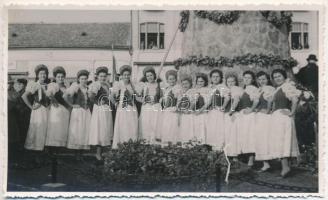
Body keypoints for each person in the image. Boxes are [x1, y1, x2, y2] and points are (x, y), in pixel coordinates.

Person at [270, 68, 300, 177]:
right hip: (277, 117)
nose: (277, 78)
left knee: (282, 140)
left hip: (283, 118)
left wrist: (291, 112)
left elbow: (295, 99)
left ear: (284, 76)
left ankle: (285, 167)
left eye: (279, 76)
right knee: (280, 140)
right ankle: (286, 166)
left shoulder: (287, 86)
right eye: (275, 77)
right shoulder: (278, 88)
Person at [64, 70, 91, 159]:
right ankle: (76, 154)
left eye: (85, 79)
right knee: (77, 131)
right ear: (79, 79)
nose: (84, 80)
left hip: (86, 112)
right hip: (78, 112)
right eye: (82, 79)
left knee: (84, 131)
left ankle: (81, 154)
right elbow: (65, 96)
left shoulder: (88, 88)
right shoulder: (75, 87)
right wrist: (72, 105)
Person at [88, 66, 114, 161]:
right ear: (97, 77)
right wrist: (98, 102)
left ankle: (103, 152)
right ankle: (97, 153)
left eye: (104, 76)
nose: (103, 78)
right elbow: (90, 96)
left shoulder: (106, 85)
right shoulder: (96, 85)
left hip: (106, 109)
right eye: (101, 76)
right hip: (99, 110)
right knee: (100, 130)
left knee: (105, 129)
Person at [22, 64, 50, 151]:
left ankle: (44, 148)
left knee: (46, 128)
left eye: (44, 73)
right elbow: (24, 96)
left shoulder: (48, 85)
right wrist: (31, 107)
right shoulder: (34, 84)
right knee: (39, 128)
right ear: (37, 75)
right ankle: (36, 149)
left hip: (47, 110)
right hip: (38, 111)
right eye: (41, 73)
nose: (43, 75)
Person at [112, 65, 139, 149]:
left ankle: (131, 146)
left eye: (128, 75)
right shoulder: (118, 84)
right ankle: (122, 146)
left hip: (131, 108)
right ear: (122, 76)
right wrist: (115, 103)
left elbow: (136, 96)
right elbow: (111, 96)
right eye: (125, 75)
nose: (126, 76)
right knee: (123, 126)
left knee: (132, 126)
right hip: (123, 108)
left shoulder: (132, 85)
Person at [237, 71, 260, 167]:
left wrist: (251, 109)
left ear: (253, 79)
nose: (246, 79)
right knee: (244, 136)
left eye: (249, 78)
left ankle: (251, 159)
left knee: (250, 136)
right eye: (245, 77)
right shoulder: (243, 89)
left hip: (249, 116)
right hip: (242, 115)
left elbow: (256, 100)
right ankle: (246, 157)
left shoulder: (252, 88)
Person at [254, 71, 275, 172]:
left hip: (266, 117)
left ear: (268, 80)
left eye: (264, 79)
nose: (262, 81)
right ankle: (265, 163)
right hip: (259, 116)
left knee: (265, 138)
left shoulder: (269, 88)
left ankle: (267, 163)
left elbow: (270, 100)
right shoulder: (259, 89)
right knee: (260, 138)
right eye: (260, 79)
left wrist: (267, 110)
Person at [45, 66, 70, 148]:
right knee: (55, 129)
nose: (60, 78)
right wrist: (54, 101)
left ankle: (58, 151)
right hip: (56, 111)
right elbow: (49, 94)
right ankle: (52, 153)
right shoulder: (53, 85)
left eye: (62, 77)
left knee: (61, 130)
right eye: (58, 77)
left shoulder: (65, 87)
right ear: (55, 77)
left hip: (64, 111)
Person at [138, 66, 163, 144]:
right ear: (145, 77)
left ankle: (154, 142)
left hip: (156, 107)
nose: (149, 77)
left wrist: (158, 101)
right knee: (147, 124)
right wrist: (143, 100)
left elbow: (162, 96)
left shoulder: (159, 85)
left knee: (155, 124)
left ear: (154, 75)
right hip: (147, 108)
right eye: (147, 76)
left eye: (151, 75)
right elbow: (136, 96)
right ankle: (146, 142)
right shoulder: (144, 85)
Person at [156, 70, 181, 146]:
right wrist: (162, 100)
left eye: (173, 79)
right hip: (166, 110)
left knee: (173, 126)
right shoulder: (166, 89)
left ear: (176, 80)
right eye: (170, 79)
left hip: (173, 110)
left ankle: (173, 143)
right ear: (167, 80)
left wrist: (177, 107)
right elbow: (165, 98)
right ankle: (166, 143)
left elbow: (179, 99)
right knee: (166, 126)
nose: (172, 81)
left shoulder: (177, 88)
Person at [206, 69, 228, 151]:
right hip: (211, 112)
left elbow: (227, 97)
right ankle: (213, 149)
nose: (215, 78)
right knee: (211, 130)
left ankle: (219, 150)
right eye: (213, 77)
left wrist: (223, 106)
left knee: (219, 129)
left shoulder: (222, 87)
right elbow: (208, 100)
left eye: (217, 77)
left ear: (221, 78)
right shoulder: (210, 87)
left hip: (219, 112)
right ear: (211, 78)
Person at [223, 73, 242, 163]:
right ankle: (228, 154)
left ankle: (235, 156)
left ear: (236, 82)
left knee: (233, 134)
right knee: (228, 134)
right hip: (227, 114)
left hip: (233, 114)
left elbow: (236, 101)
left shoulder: (236, 89)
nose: (230, 83)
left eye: (232, 81)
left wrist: (232, 111)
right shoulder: (228, 90)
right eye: (228, 81)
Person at [8, 78, 28, 164]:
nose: (19, 86)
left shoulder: (21, 93)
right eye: (17, 84)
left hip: (22, 119)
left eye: (21, 84)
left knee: (21, 138)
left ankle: (19, 159)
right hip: (15, 119)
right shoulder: (12, 93)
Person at [192, 73, 211, 144]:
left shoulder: (207, 90)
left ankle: (203, 145)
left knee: (203, 130)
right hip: (195, 113)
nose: (200, 83)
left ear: (205, 82)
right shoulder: (194, 90)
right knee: (196, 130)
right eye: (198, 81)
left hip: (203, 113)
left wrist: (200, 111)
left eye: (202, 81)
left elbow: (208, 103)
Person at [177, 75, 195, 145]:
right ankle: (184, 144)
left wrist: (189, 110)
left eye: (187, 83)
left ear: (190, 84)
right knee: (183, 128)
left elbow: (193, 102)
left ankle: (190, 144)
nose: (185, 85)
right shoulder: (180, 93)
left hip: (189, 114)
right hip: (182, 114)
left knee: (189, 128)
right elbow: (178, 104)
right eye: (183, 84)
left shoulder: (191, 92)